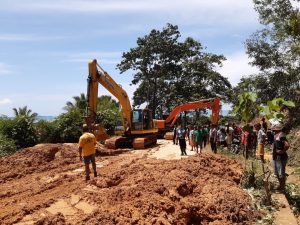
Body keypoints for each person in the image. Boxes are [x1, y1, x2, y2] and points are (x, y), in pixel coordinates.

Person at [272, 124, 289, 192]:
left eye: (274, 129)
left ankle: (282, 187)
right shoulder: (276, 135)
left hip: (280, 157)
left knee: (281, 173)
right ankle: (281, 186)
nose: (273, 130)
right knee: (277, 173)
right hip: (276, 157)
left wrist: (282, 151)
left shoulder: (281, 135)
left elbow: (287, 145)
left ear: (277, 129)